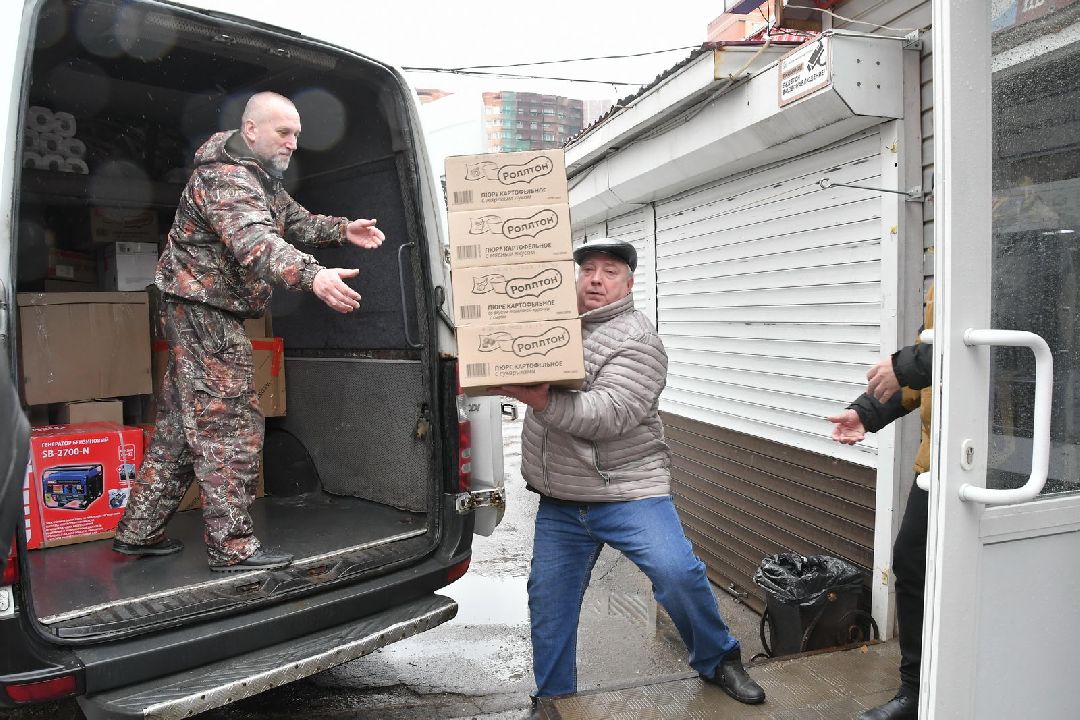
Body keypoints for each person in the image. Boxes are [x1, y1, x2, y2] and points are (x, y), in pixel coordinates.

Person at [113, 91, 385, 572]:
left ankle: (137, 531)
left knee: (180, 427)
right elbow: (256, 242)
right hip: (203, 310)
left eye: (297, 134)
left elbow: (293, 220)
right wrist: (312, 274)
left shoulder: (260, 177)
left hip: (200, 309)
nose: (293, 143)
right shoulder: (224, 179)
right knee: (229, 426)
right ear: (251, 130)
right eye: (284, 132)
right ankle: (232, 548)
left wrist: (343, 229)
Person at [496, 238, 765, 706]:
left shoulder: (638, 340)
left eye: (610, 271)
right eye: (588, 270)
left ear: (629, 283)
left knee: (678, 574)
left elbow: (608, 415)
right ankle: (553, 698)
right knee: (548, 603)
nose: (596, 279)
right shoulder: (550, 328)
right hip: (561, 499)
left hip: (628, 491)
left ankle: (718, 657)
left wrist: (535, 396)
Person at [827, 285, 934, 720]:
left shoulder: (1013, 230)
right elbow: (927, 379)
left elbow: (981, 342)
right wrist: (866, 413)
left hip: (995, 459)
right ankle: (916, 691)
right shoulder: (948, 264)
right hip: (938, 465)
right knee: (913, 567)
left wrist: (903, 364)